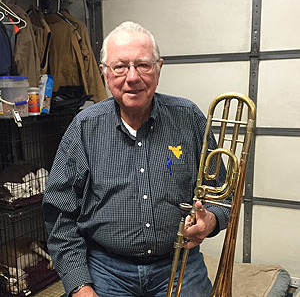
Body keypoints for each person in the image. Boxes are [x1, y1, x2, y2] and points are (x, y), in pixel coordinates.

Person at [43, 21, 231, 297]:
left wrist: (211, 221)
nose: (132, 77)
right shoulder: (84, 127)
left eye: (143, 65)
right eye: (120, 67)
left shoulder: (189, 117)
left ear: (158, 68)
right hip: (106, 270)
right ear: (105, 74)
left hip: (179, 264)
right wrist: (80, 286)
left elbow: (222, 196)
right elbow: (60, 216)